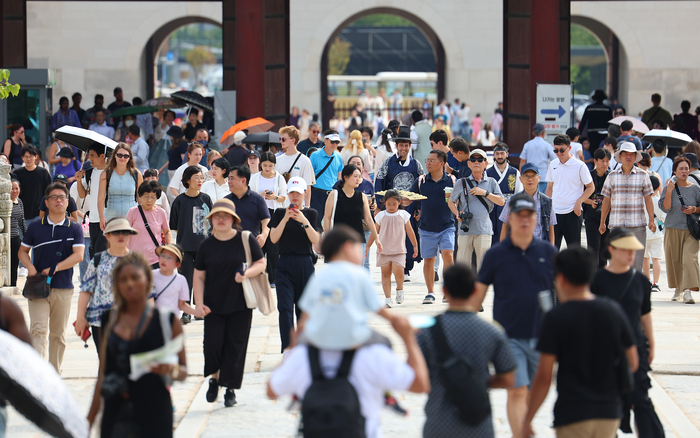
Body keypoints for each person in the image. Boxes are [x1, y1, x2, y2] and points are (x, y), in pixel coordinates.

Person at [267, 226, 430, 438]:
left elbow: (305, 317)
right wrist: (404, 331)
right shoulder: (358, 274)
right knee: (385, 341)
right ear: (347, 247)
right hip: (355, 338)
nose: (362, 253)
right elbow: (380, 311)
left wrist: (296, 345)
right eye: (359, 247)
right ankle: (387, 394)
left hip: (319, 340)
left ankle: (298, 395)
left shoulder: (320, 278)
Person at [521, 247, 638, 438]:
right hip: (608, 413)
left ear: (561, 279)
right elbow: (632, 362)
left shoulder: (555, 318)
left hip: (572, 412)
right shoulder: (613, 310)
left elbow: (544, 376)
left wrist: (528, 419)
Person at [477, 192, 557, 438]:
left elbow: (566, 295)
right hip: (508, 337)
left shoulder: (549, 253)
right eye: (519, 215)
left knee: (535, 390)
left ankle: (524, 425)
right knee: (517, 390)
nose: (524, 220)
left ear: (536, 219)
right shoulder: (496, 254)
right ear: (509, 218)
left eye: (529, 215)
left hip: (543, 338)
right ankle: (520, 433)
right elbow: (476, 298)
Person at [87, 252, 187, 436]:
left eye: (135, 277)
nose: (129, 283)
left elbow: (183, 372)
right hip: (115, 413)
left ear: (147, 279)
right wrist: (88, 421)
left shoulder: (167, 321)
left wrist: (170, 369)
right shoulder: (109, 319)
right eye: (123, 279)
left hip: (155, 413)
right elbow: (103, 373)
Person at [419, 263, 516, 438]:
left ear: (444, 291)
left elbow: (415, 379)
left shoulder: (427, 332)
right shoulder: (492, 331)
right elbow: (508, 379)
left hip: (438, 425)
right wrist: (478, 381)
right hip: (478, 425)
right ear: (475, 291)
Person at [590, 228, 666, 438]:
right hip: (605, 350)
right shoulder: (597, 281)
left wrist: (651, 344)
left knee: (640, 397)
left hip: (636, 345)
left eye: (634, 250)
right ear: (612, 249)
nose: (632, 254)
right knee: (608, 399)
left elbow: (645, 315)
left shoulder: (640, 281)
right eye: (626, 249)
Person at [193, 199, 264, 407]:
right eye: (217, 216)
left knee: (235, 347)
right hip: (212, 305)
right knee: (213, 345)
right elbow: (198, 276)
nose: (221, 219)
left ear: (234, 219)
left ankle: (230, 389)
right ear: (211, 220)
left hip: (240, 305)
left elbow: (261, 263)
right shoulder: (206, 245)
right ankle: (214, 379)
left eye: (226, 216)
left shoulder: (245, 238)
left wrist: (246, 273)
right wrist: (198, 303)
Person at [18, 182, 84, 372]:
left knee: (58, 334)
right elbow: (23, 252)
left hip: (63, 287)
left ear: (67, 202)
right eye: (53, 197)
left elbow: (78, 256)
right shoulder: (36, 226)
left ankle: (54, 373)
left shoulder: (74, 228)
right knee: (38, 330)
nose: (58, 201)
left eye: (62, 197)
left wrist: (54, 269)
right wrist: (30, 268)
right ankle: (39, 374)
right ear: (46, 202)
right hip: (38, 287)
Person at [268, 177, 322, 351]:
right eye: (292, 192)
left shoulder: (311, 214)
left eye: (298, 193)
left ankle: (303, 347)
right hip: (284, 263)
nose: (295, 196)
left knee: (303, 308)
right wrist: (285, 218)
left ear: (304, 193)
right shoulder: (278, 214)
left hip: (305, 263)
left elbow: (316, 241)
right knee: (284, 307)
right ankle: (287, 347)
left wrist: (304, 221)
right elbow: (274, 238)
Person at [75, 218, 137, 354]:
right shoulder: (97, 261)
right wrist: (80, 318)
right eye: (116, 232)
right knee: (105, 363)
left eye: (125, 232)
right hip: (100, 322)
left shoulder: (137, 262)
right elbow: (86, 291)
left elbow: (148, 294)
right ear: (107, 236)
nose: (121, 236)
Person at [375, 125, 425, 279]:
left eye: (406, 145)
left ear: (410, 147)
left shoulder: (416, 164)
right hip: (392, 206)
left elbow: (422, 185)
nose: (404, 148)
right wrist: (380, 205)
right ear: (396, 146)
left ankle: (406, 267)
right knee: (394, 235)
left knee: (410, 235)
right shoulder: (388, 163)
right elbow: (379, 182)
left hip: (409, 207)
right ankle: (393, 264)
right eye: (401, 145)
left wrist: (420, 208)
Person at [598, 142, 656, 272]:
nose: (628, 157)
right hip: (617, 224)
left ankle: (633, 291)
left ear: (635, 157)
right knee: (616, 260)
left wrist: (651, 220)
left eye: (631, 154)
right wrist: (602, 221)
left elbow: (648, 199)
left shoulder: (643, 175)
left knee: (636, 262)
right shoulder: (612, 176)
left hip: (637, 224)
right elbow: (606, 200)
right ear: (620, 156)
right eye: (625, 154)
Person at [409, 149, 458, 304]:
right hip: (426, 227)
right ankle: (430, 292)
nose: (428, 163)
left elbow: (458, 200)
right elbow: (409, 199)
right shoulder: (421, 181)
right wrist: (402, 200)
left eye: (432, 160)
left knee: (448, 256)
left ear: (442, 163)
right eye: (427, 160)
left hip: (447, 225)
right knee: (429, 260)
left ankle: (449, 291)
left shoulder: (452, 180)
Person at [170, 165, 213, 323]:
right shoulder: (179, 201)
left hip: (203, 247)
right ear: (187, 180)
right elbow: (173, 225)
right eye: (196, 177)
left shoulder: (206, 199)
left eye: (202, 178)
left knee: (202, 279)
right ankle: (186, 312)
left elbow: (211, 222)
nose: (200, 180)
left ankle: (200, 310)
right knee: (186, 279)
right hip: (185, 248)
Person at [448, 149, 505, 269]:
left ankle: (481, 288)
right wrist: (457, 213)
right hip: (465, 229)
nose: (476, 162)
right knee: (462, 267)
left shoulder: (492, 182)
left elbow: (501, 201)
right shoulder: (461, 182)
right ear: (468, 163)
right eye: (473, 159)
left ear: (485, 163)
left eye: (480, 159)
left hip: (484, 229)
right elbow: (451, 202)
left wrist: (484, 193)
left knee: (483, 267)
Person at [659, 156, 700, 304]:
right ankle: (678, 289)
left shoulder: (696, 189)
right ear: (674, 171)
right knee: (675, 261)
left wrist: (694, 209)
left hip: (691, 230)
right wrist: (669, 191)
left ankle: (688, 291)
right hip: (672, 228)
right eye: (681, 168)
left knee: (690, 259)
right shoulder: (668, 187)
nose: (684, 171)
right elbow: (665, 207)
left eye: (686, 168)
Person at [366, 190, 417, 307]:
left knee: (399, 272)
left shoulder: (404, 215)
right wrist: (368, 246)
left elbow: (410, 231)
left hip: (399, 250)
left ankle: (399, 288)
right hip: (383, 250)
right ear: (385, 203)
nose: (391, 207)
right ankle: (388, 298)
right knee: (385, 274)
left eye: (394, 204)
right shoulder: (380, 216)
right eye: (389, 204)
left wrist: (415, 245)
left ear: (399, 202)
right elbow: (374, 232)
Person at [324, 163, 382, 265]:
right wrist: (328, 239)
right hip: (339, 239)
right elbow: (327, 218)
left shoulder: (362, 196)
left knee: (356, 271)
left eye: (359, 177)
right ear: (345, 177)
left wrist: (377, 239)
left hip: (357, 240)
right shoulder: (334, 194)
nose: (358, 179)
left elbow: (368, 219)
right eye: (355, 176)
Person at [546, 134, 595, 249]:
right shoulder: (553, 164)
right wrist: (547, 207)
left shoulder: (580, 166)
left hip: (573, 213)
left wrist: (579, 202)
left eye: (562, 150)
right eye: (556, 150)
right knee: (552, 249)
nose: (559, 153)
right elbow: (550, 187)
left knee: (574, 252)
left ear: (569, 148)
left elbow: (590, 187)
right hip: (555, 212)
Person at [250, 152, 287, 287]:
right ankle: (259, 277)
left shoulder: (279, 178)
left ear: (274, 165)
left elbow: (284, 197)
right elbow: (250, 194)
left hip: (274, 212)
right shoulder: (254, 178)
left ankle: (273, 278)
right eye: (264, 165)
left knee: (273, 248)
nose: (267, 168)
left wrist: (275, 197)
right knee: (259, 245)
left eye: (270, 166)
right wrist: (261, 196)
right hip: (258, 213)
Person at [499, 162, 556, 243]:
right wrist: (503, 249)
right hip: (517, 248)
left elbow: (550, 228)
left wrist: (551, 251)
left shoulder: (547, 201)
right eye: (526, 176)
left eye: (533, 176)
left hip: (539, 248)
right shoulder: (512, 200)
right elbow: (505, 225)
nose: (530, 179)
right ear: (520, 179)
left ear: (539, 178)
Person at [97, 143, 143, 230]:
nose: (122, 158)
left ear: (130, 158)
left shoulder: (136, 174)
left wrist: (143, 216)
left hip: (132, 217)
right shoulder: (106, 173)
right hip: (111, 217)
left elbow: (140, 199)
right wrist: (101, 217)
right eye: (120, 155)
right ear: (115, 156)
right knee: (112, 243)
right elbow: (101, 198)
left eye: (126, 156)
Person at [126, 181, 172, 268]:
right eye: (146, 196)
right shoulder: (133, 212)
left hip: (155, 259)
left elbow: (166, 232)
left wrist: (170, 248)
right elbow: (125, 232)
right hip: (135, 259)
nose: (149, 200)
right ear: (140, 196)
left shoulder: (161, 212)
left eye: (153, 197)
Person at [225, 165, 271, 246]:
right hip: (229, 247)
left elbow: (266, 219)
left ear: (243, 181)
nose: (229, 181)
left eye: (232, 178)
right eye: (228, 178)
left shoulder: (258, 199)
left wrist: (264, 235)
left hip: (251, 246)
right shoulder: (225, 201)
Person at [76, 142, 107, 257]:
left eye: (92, 155)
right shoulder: (90, 172)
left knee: (101, 251)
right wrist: (79, 181)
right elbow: (83, 194)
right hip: (93, 220)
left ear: (102, 156)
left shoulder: (110, 173)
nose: (89, 158)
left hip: (105, 219)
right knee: (94, 253)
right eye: (89, 155)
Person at [486, 142, 521, 244]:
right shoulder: (488, 173)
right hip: (492, 209)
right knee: (493, 240)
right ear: (494, 155)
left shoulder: (514, 172)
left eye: (502, 153)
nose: (499, 156)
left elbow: (518, 193)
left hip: (509, 208)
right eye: (497, 154)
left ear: (507, 154)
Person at [582, 148, 611, 268]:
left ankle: (602, 275)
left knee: (605, 249)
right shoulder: (588, 176)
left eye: (607, 161)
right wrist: (591, 202)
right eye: (602, 161)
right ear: (595, 161)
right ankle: (592, 276)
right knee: (593, 248)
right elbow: (580, 196)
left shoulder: (611, 176)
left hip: (608, 217)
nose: (605, 164)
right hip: (592, 217)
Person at [149, 244, 196, 317]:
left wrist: (196, 312)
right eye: (163, 255)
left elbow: (182, 305)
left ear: (177, 264)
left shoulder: (181, 280)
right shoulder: (151, 276)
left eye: (169, 258)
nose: (164, 260)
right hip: (154, 320)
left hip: (172, 321)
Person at [12, 145, 52, 224]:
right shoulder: (17, 173)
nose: (28, 159)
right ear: (22, 158)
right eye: (26, 157)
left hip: (39, 213)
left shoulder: (43, 173)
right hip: (21, 214)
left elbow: (49, 193)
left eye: (31, 156)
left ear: (36, 156)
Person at [309, 130, 344, 214]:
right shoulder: (315, 155)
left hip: (333, 194)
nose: (335, 144)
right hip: (317, 194)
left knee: (331, 222)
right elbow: (309, 175)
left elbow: (339, 177)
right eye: (332, 141)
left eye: (337, 142)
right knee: (316, 221)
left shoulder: (338, 156)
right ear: (325, 141)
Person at [520, 123, 556, 193]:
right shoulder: (547, 145)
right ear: (543, 133)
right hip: (543, 177)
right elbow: (554, 160)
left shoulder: (527, 144)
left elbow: (522, 161)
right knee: (542, 199)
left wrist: (522, 175)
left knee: (531, 197)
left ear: (533, 133)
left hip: (529, 178)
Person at [645, 175, 665, 292]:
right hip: (657, 233)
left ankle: (647, 281)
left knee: (645, 258)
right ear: (658, 188)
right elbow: (663, 218)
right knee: (656, 259)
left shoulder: (642, 201)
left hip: (644, 233)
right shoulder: (659, 202)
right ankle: (655, 283)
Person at [9, 179, 26, 286]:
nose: (15, 191)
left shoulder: (19, 202)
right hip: (5, 238)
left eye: (16, 188)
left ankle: (13, 285)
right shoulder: (4, 201)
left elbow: (22, 221)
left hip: (15, 238)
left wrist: (28, 236)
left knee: (14, 264)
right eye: (12, 189)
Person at [162, 126, 188, 192]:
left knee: (171, 191)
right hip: (171, 170)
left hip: (177, 170)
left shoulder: (182, 144)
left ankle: (178, 202)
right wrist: (162, 169)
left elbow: (184, 159)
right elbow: (171, 159)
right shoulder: (174, 144)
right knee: (172, 191)